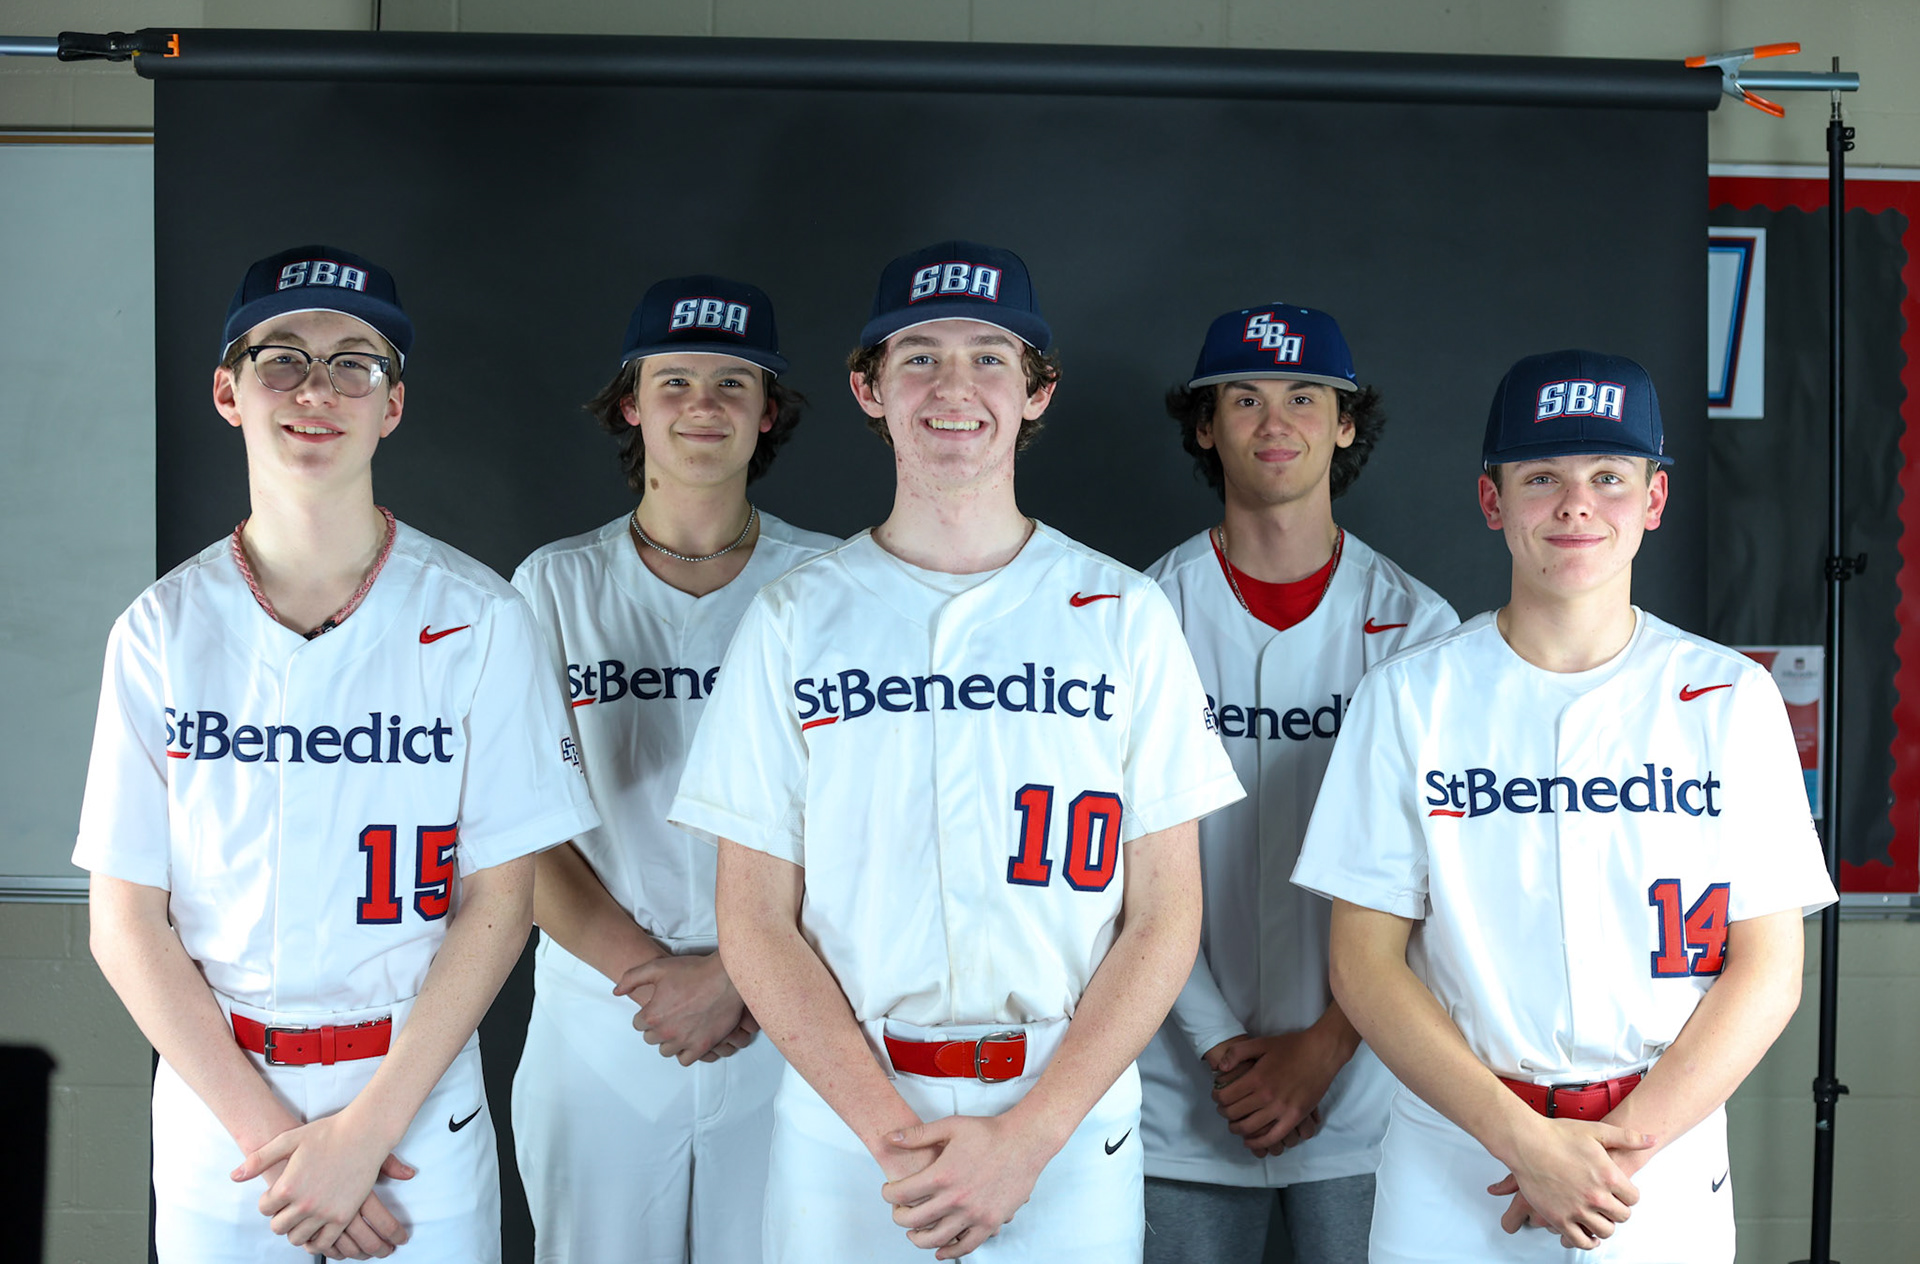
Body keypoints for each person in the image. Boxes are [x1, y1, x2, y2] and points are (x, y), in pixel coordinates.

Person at [668, 239, 1245, 1262]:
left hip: (1062, 1115)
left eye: (990, 355)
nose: (954, 386)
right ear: (868, 387)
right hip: (849, 1122)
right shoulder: (796, 614)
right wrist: (895, 1140)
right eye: (919, 355)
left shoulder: (1125, 611)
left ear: (1038, 391)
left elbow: (1167, 912)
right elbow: (752, 917)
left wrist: (1025, 1139)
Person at [74, 246, 599, 1261]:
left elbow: (502, 899)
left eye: (354, 362)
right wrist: (283, 1144)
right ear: (228, 391)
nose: (317, 390)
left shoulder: (480, 618)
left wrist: (362, 1136)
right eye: (283, 358)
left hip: (412, 1099)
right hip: (221, 1102)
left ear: (392, 404)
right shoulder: (160, 629)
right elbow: (124, 918)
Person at [1292, 350, 1837, 1262]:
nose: (1577, 504)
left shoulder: (1730, 696)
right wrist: (1528, 1146)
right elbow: (1363, 963)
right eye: (1541, 476)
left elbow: (1771, 968)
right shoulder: (1409, 697)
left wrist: (1612, 1154)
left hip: (1659, 1146)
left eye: (1609, 477)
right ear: (1492, 501)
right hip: (1458, 1147)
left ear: (1655, 501)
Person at [508, 274, 839, 1263]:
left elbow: (864, 815)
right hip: (603, 1005)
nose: (704, 404)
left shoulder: (831, 581)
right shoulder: (554, 583)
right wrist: (656, 982)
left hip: (791, 997)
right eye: (676, 379)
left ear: (768, 409)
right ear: (630, 403)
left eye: (734, 383)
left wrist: (735, 975)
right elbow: (517, 825)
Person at [1139, 304, 1457, 1262]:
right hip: (1184, 1082)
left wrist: (1322, 1050)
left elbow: (1441, 877)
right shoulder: (1141, 614)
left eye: (1304, 396)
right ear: (1205, 425)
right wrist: (1219, 1048)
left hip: (1367, 1085)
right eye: (1243, 398)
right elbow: (1114, 861)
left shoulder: (1419, 628)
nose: (1275, 421)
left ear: (1346, 421)